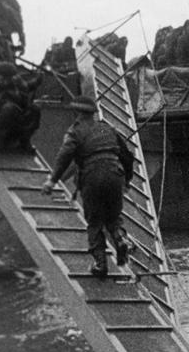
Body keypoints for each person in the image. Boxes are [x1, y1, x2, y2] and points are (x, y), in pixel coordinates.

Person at [41, 96, 134, 278]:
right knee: (113, 217)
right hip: (115, 175)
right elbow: (127, 156)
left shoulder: (75, 131)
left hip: (92, 177)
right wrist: (127, 181)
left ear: (76, 113)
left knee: (95, 221)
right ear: (93, 113)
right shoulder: (107, 129)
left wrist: (52, 180)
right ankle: (121, 239)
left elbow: (64, 156)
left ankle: (100, 265)